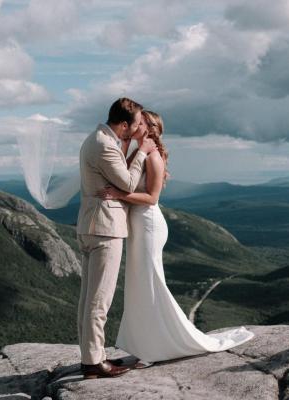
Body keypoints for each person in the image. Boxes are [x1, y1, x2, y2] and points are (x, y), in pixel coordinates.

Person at [97, 110, 255, 367]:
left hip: (148, 224)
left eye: (140, 121)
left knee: (150, 283)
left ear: (148, 128)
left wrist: (118, 194)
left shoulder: (153, 157)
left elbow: (151, 198)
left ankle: (153, 350)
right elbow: (125, 174)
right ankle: (144, 345)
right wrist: (128, 146)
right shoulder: (140, 153)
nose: (134, 124)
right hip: (138, 225)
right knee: (139, 285)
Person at [76, 98, 158, 379]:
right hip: (105, 228)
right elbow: (127, 184)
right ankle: (94, 362)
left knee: (89, 298)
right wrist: (143, 153)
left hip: (90, 225)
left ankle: (92, 355)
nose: (138, 129)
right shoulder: (104, 144)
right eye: (135, 124)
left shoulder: (96, 139)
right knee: (99, 300)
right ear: (123, 124)